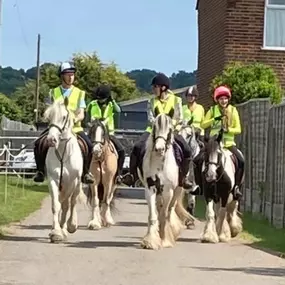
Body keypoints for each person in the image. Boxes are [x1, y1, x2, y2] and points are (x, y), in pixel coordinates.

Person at [121, 72, 193, 189]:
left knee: (187, 150)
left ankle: (183, 178)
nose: (153, 89)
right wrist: (159, 126)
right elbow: (150, 118)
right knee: (137, 147)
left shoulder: (176, 100)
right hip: (153, 130)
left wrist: (168, 127)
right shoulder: (151, 101)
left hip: (170, 131)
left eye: (155, 86)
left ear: (163, 87)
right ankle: (132, 175)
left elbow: (178, 118)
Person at [33, 62, 95, 184]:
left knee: (89, 146)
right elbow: (48, 110)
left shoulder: (79, 93)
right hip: (56, 126)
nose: (71, 77)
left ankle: (86, 173)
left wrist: (74, 119)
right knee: (38, 143)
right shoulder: (53, 92)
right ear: (62, 76)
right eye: (68, 74)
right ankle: (40, 171)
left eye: (72, 74)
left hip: (74, 128)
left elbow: (81, 113)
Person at [200, 85, 244, 199]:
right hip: (214, 144)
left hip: (228, 144)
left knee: (241, 160)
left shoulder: (233, 110)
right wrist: (215, 119)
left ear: (228, 99)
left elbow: (238, 129)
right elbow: (203, 124)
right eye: (221, 99)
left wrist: (228, 129)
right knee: (199, 159)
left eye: (225, 98)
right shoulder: (212, 110)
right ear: (217, 100)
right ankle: (200, 186)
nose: (223, 101)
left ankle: (237, 187)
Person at [86, 84, 126, 184]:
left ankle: (119, 175)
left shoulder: (111, 105)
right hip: (94, 134)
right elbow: (86, 118)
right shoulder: (92, 104)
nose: (100, 100)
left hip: (109, 134)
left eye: (102, 98)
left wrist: (113, 100)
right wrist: (89, 123)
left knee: (121, 150)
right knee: (85, 149)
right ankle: (85, 172)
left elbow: (118, 111)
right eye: (99, 98)